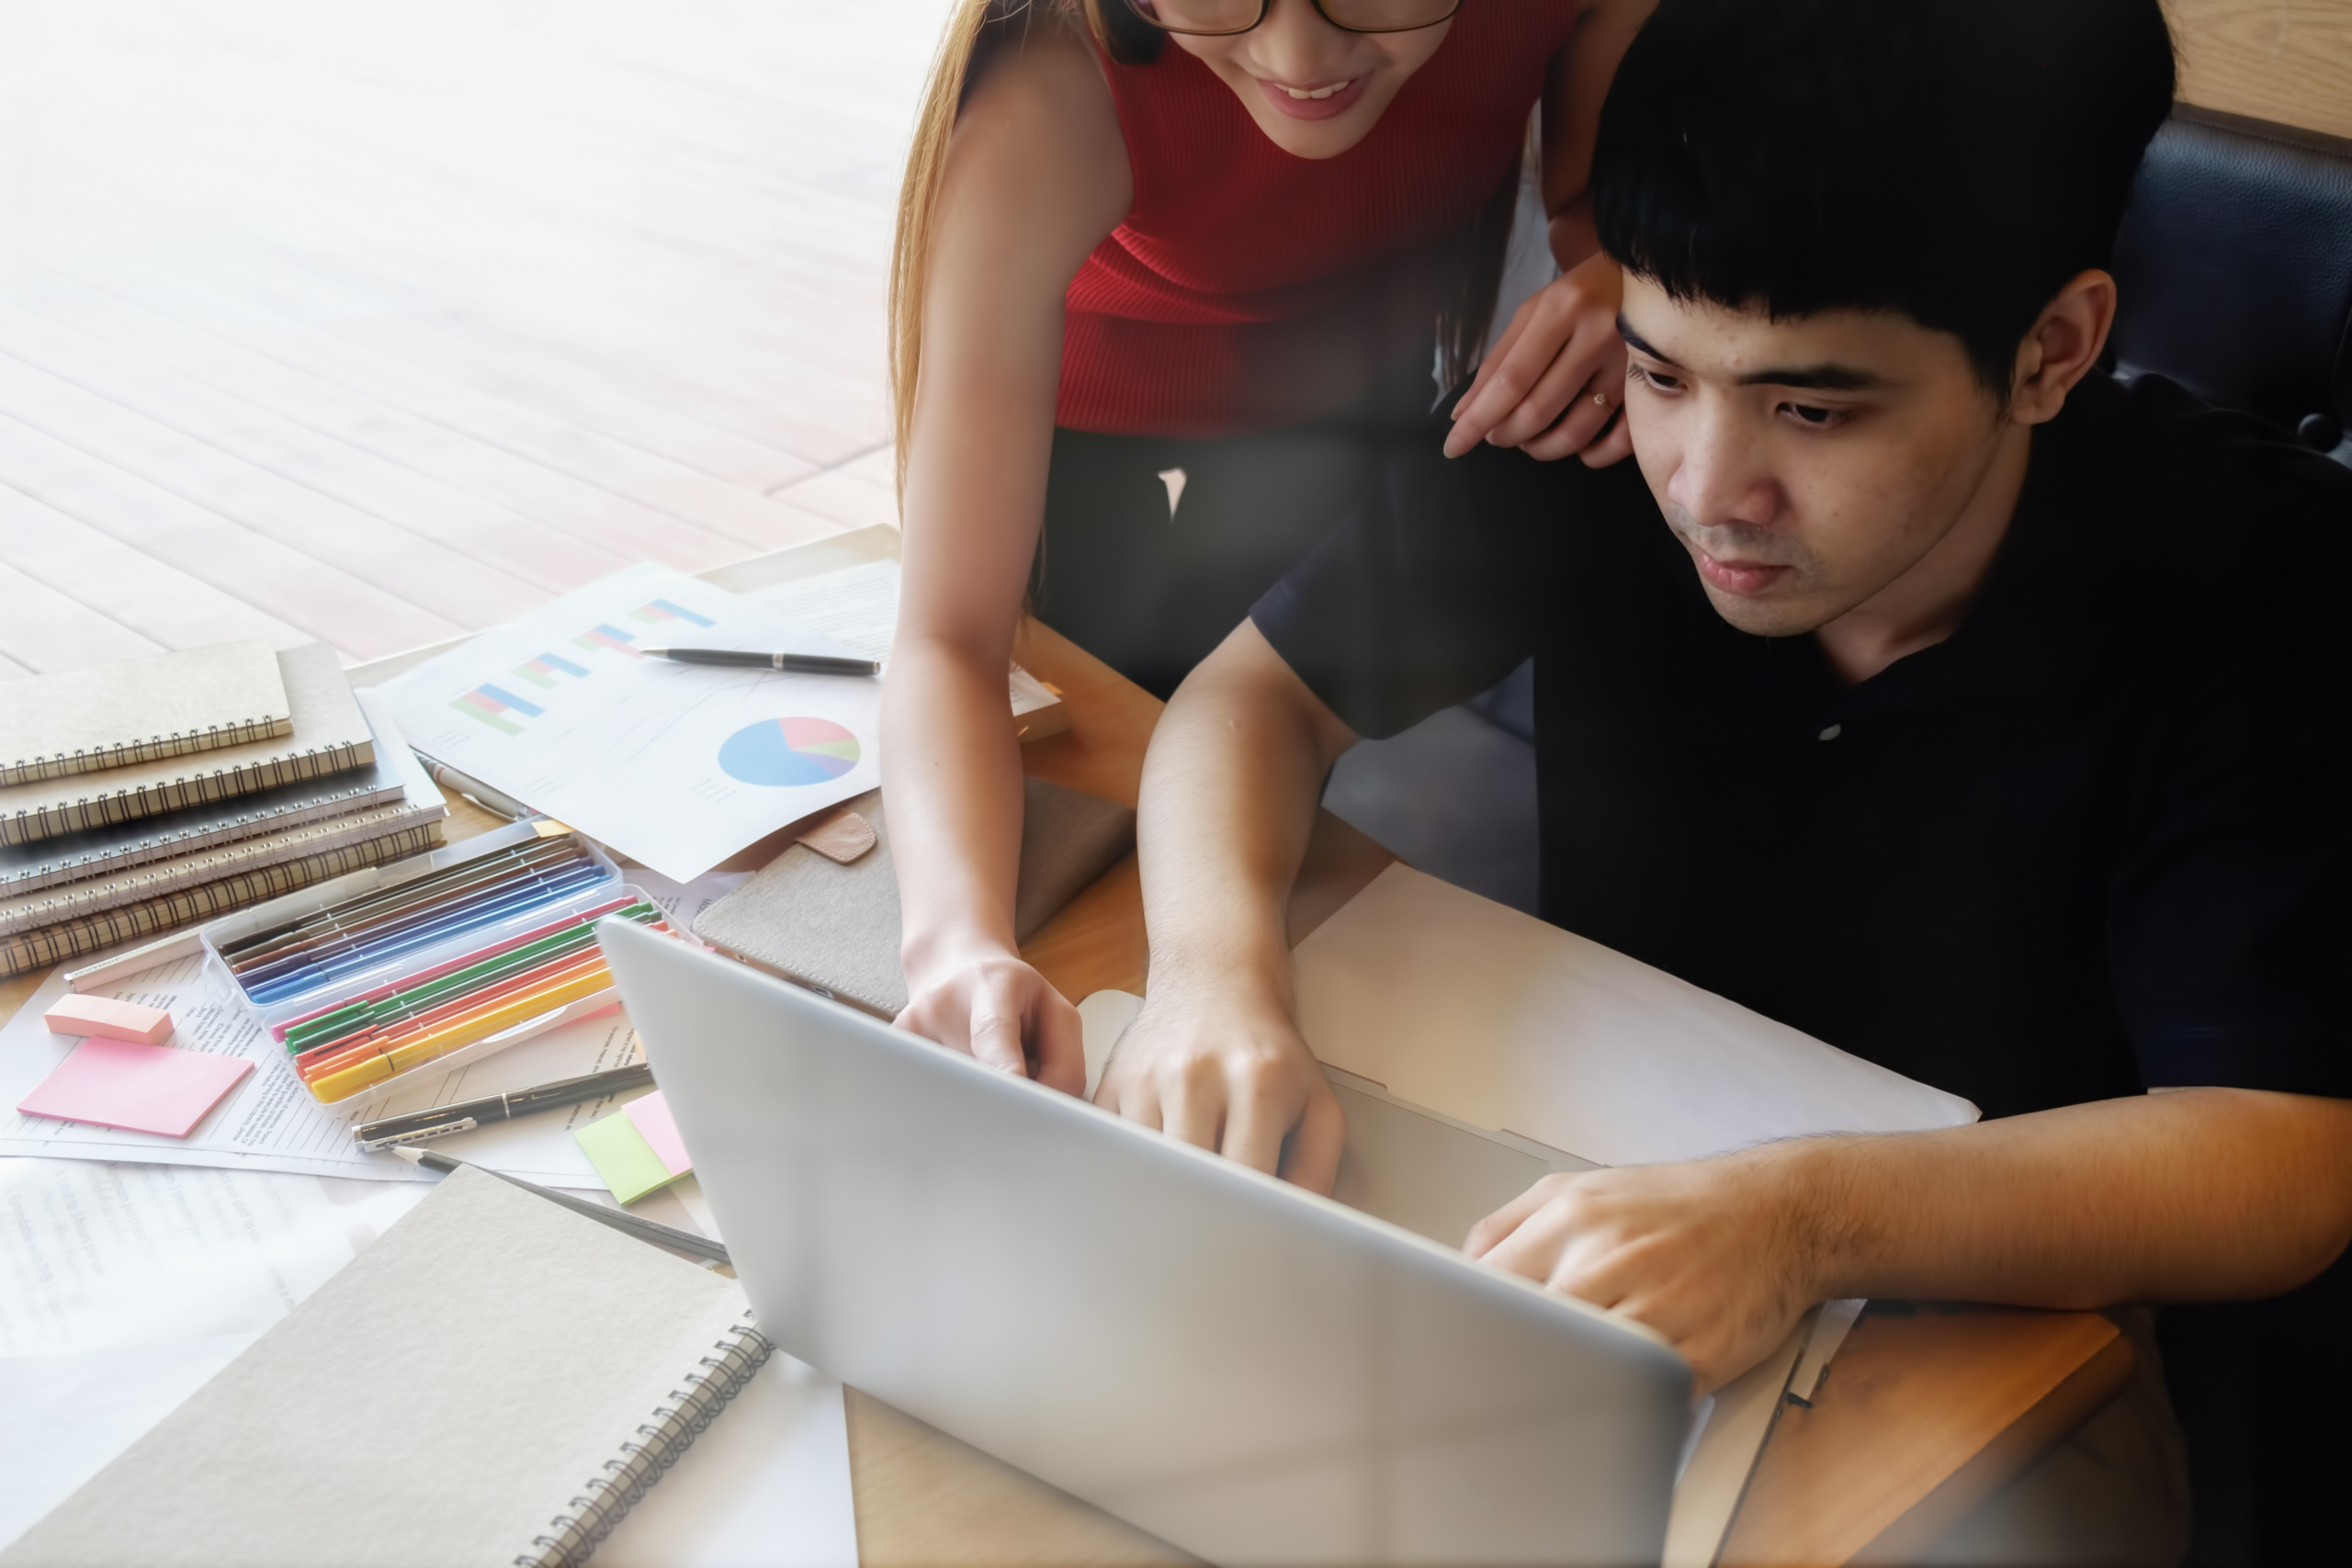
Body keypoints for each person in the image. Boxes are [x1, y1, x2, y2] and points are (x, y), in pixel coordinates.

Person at [1103, 0, 2352, 1557]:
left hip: (2015, 1331)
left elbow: (2285, 1154)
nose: (1710, 488)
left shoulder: (2264, 586)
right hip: (1600, 1200)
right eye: (1665, 370)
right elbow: (1243, 705)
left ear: (2052, 350)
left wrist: (1798, 1218)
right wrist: (1213, 984)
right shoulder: (1593, 422)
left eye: (1813, 410)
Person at [883, 0, 1657, 1089]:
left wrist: (1629, 277)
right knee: (1099, 877)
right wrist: (955, 946)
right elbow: (947, 640)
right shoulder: (1052, 89)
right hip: (1108, 471)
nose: (1298, 58)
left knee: (1281, 840)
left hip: (1378, 408)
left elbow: (1591, 205)